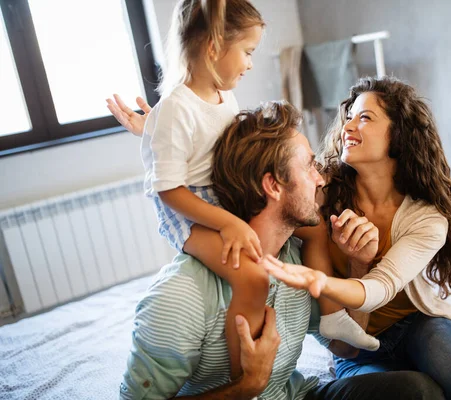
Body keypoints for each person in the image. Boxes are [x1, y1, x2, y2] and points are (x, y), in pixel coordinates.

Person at [108, 0, 378, 380]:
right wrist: (227, 223)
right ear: (214, 47)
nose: (250, 63)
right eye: (247, 52)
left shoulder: (220, 97)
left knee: (315, 228)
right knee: (251, 275)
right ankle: (245, 368)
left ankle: (332, 316)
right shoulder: (174, 108)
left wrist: (149, 128)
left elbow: (199, 139)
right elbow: (168, 190)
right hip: (190, 215)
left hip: (218, 198)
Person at [119, 101, 444, 399]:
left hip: (299, 395)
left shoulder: (296, 257)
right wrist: (247, 387)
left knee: (418, 391)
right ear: (273, 185)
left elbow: (344, 347)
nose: (321, 180)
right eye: (309, 167)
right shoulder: (180, 296)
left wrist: (360, 265)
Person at [261, 77, 451, 400]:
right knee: (420, 392)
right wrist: (357, 264)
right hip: (357, 351)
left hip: (415, 323)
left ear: (398, 136)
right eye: (349, 117)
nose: (347, 126)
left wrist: (322, 279)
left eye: (365, 117)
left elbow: (382, 287)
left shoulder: (425, 218)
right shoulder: (320, 195)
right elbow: (345, 343)